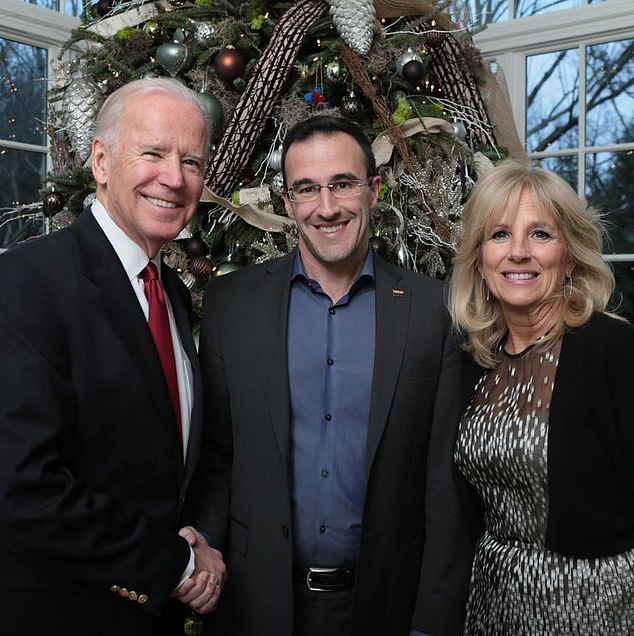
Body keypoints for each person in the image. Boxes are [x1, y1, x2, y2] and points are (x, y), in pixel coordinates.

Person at [188, 115, 479, 636]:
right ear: (287, 201)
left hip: (387, 605)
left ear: (373, 190)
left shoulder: (432, 310)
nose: (326, 207)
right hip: (256, 606)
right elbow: (216, 457)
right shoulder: (231, 306)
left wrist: (433, 621)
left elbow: (445, 484)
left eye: (342, 184)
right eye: (307, 189)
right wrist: (203, 548)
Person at [0, 78, 226, 636]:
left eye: (192, 161)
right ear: (101, 161)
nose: (174, 178)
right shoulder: (25, 282)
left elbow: (160, 465)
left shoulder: (169, 289)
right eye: (153, 152)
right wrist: (173, 565)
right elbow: (21, 486)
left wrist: (196, 541)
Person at [449, 161, 634, 634]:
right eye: (499, 235)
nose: (518, 253)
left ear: (569, 254)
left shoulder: (612, 350)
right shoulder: (473, 362)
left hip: (594, 608)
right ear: (479, 258)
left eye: (540, 235)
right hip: (492, 603)